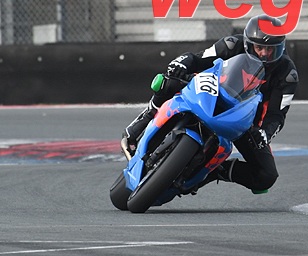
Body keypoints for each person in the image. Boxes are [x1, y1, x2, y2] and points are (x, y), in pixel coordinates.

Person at [121, 14, 299, 195]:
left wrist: (265, 133)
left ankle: (214, 171)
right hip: (209, 93)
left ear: (281, 47)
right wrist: (180, 64)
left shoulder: (287, 74)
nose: (264, 54)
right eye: (260, 47)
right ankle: (143, 121)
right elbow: (197, 59)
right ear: (248, 43)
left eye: (271, 49)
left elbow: (277, 114)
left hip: (243, 122)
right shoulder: (232, 45)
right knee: (167, 82)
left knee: (266, 176)